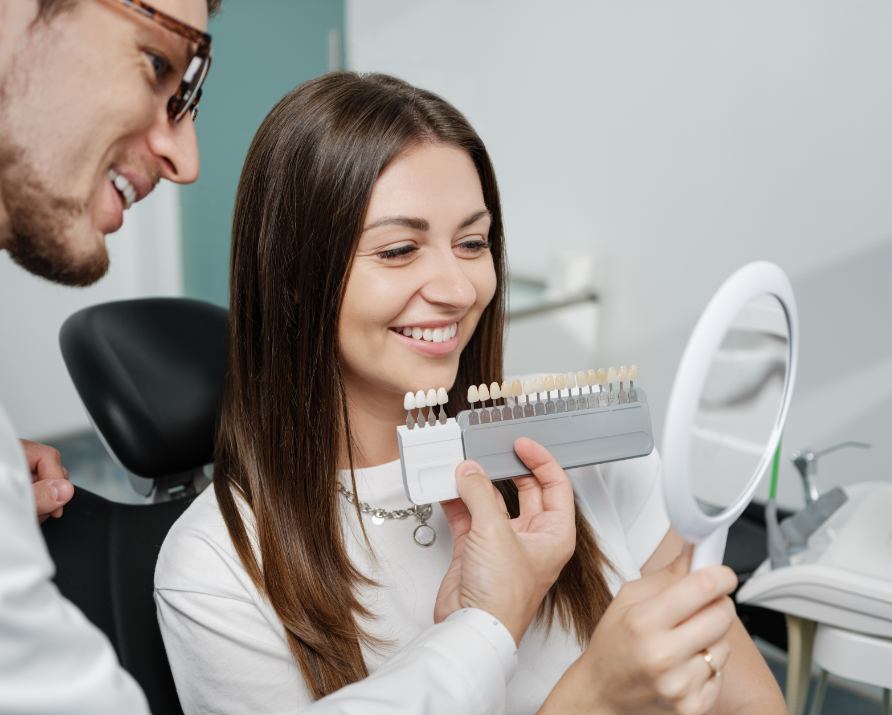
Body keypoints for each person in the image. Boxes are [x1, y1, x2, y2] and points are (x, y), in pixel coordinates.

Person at [0, 2, 573, 713]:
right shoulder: (216, 567)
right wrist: (520, 648)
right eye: (155, 63)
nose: (186, 158)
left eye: (474, 242)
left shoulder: (563, 467)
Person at [155, 72, 788, 714]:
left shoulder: (595, 459)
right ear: (292, 278)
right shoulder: (215, 573)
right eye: (400, 249)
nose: (459, 290)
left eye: (473, 243)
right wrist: (593, 699)